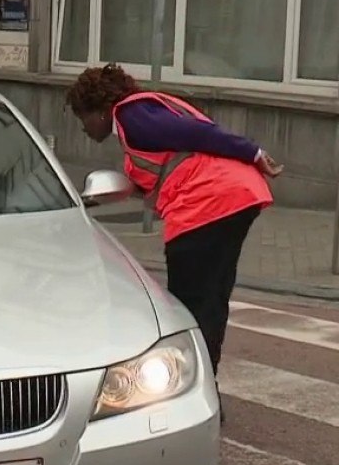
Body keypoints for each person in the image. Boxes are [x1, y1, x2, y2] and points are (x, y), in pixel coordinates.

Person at [66, 64, 282, 403]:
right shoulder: (145, 113)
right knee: (210, 301)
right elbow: (174, 158)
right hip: (233, 199)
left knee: (189, 306)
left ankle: (193, 395)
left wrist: (253, 152)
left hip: (208, 205)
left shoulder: (133, 116)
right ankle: (205, 388)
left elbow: (199, 135)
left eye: (83, 118)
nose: (83, 128)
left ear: (100, 107)